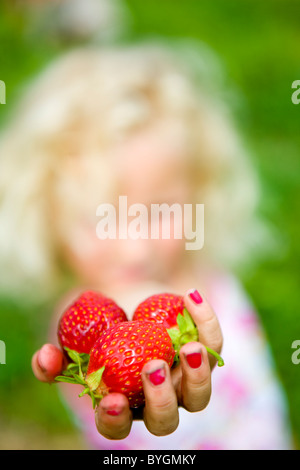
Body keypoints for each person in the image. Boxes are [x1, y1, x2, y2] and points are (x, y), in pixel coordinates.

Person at [0, 41, 293, 449]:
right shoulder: (82, 334)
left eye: (159, 212)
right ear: (46, 218)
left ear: (200, 196)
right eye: (99, 218)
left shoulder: (209, 279)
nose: (135, 249)